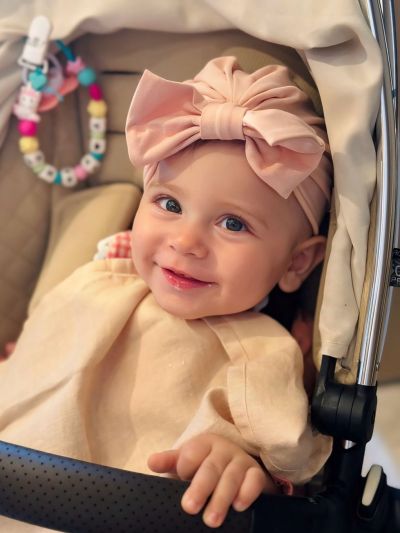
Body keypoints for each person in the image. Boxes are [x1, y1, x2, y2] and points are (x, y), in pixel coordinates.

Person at [0, 56, 332, 530]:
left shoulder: (262, 353)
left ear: (296, 263)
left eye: (233, 224)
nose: (186, 241)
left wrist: (245, 468)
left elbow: (290, 464)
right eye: (169, 203)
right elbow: (36, 358)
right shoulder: (96, 281)